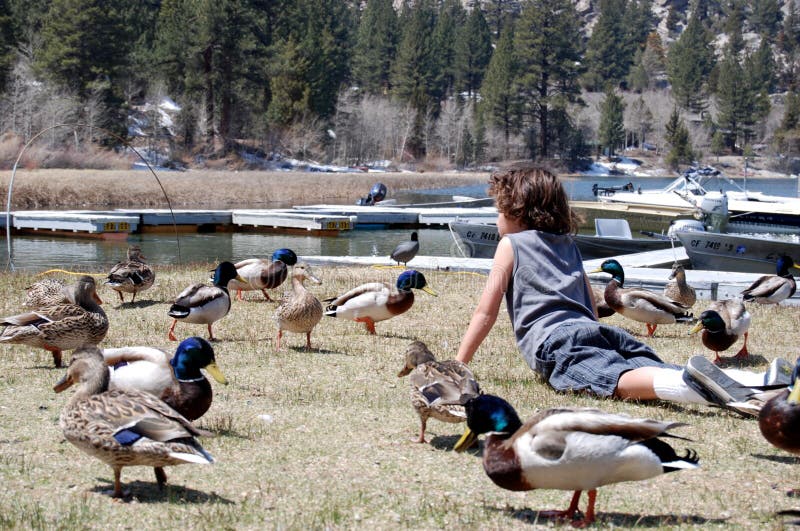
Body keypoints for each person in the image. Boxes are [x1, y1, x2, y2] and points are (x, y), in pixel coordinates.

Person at [455, 164, 790, 415]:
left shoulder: (510, 245)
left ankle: (691, 389)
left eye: (498, 209)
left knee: (614, 380)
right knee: (647, 367)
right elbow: (589, 303)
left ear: (517, 210)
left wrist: (458, 364)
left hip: (553, 341)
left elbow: (487, 311)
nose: (496, 217)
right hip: (596, 332)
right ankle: (760, 382)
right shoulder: (568, 245)